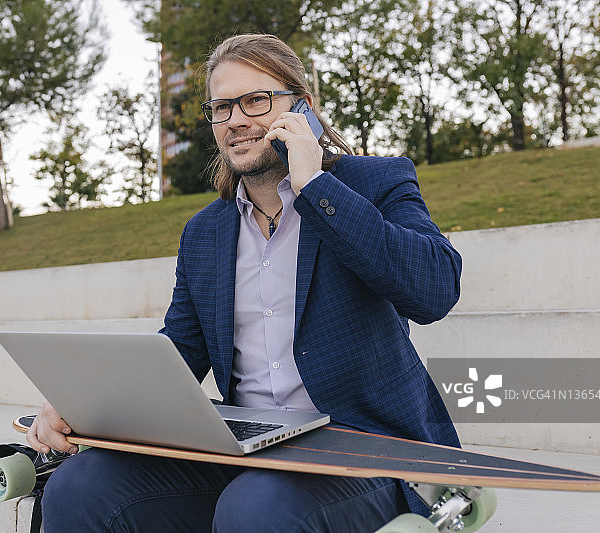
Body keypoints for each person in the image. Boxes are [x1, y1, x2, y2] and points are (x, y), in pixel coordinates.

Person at [28, 33, 462, 532]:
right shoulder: (205, 232)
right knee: (79, 488)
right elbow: (180, 350)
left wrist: (315, 186)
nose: (235, 120)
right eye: (222, 107)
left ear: (303, 108)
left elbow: (435, 290)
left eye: (255, 100)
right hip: (243, 446)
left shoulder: (375, 182)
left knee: (255, 508)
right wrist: (87, 406)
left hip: (363, 447)